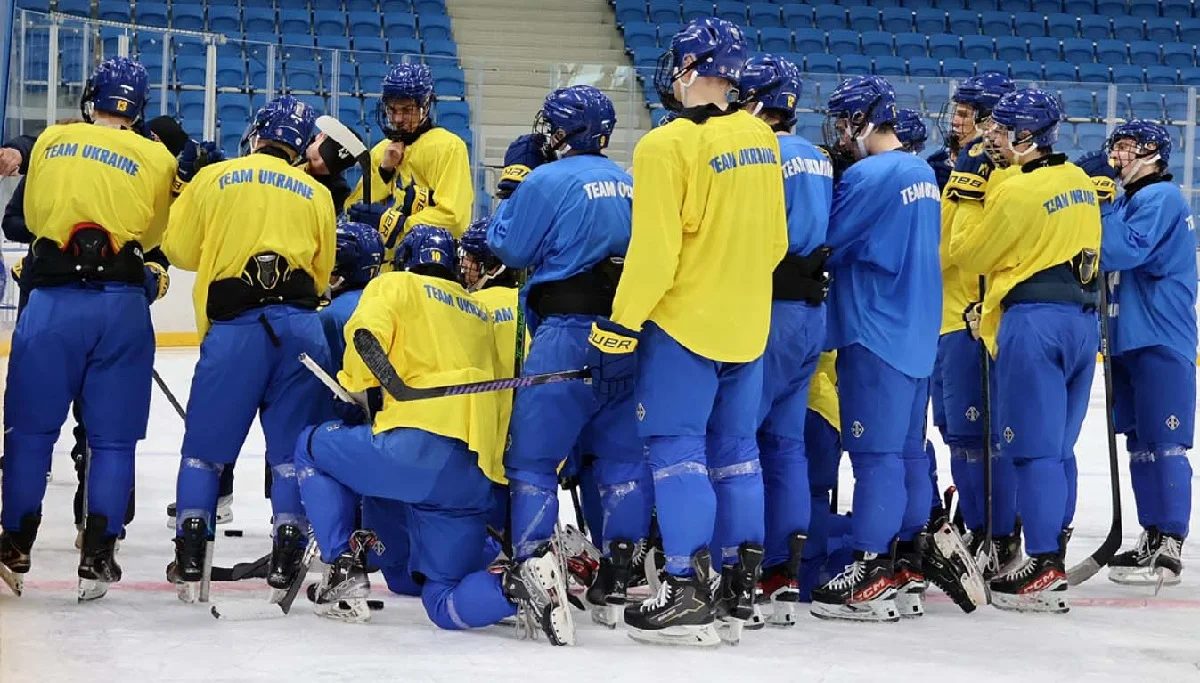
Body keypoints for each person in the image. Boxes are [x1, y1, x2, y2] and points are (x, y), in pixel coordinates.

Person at [589, 17, 788, 646]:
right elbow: (777, 241)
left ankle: (684, 588)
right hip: (750, 323)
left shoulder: (664, 146)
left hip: (685, 327)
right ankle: (738, 587)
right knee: (738, 454)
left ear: (691, 67)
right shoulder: (762, 137)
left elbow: (654, 253)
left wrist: (621, 325)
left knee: (676, 453)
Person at [295, 226, 574, 645]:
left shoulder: (394, 284)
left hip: (412, 447)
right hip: (472, 471)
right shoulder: (477, 309)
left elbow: (365, 340)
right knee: (439, 598)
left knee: (310, 446)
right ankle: (518, 583)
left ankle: (343, 570)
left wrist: (380, 384)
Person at [0, 57, 177, 600]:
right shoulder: (156, 155)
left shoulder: (52, 139)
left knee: (29, 434)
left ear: (90, 98)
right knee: (113, 440)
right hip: (120, 306)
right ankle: (98, 552)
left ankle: (15, 542)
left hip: (51, 304)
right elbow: (152, 234)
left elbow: (27, 219)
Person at [162, 95, 337, 603]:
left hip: (235, 329)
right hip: (301, 331)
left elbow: (178, 250)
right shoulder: (315, 191)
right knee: (290, 453)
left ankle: (192, 553)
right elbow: (323, 273)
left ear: (257, 133)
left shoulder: (214, 177)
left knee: (205, 452)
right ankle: (287, 553)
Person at [484, 85, 647, 629]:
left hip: (565, 335)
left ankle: (535, 572)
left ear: (559, 132)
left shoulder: (547, 179)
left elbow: (506, 248)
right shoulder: (631, 182)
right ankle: (621, 572)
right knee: (621, 458)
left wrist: (516, 186)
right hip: (626, 334)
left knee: (532, 460)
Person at [949, 89, 1100, 614]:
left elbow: (966, 252)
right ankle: (1050, 550)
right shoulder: (1079, 181)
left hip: (1034, 322)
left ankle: (1041, 565)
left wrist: (968, 197)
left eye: (1001, 128)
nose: (991, 135)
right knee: (1057, 449)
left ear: (1027, 136)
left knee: (1033, 450)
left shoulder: (1016, 194)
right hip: (1084, 323)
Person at [814, 75, 941, 622]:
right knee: (909, 451)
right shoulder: (921, 170)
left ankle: (868, 570)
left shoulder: (871, 175)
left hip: (875, 330)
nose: (842, 136)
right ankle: (906, 561)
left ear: (861, 120)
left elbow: (826, 238)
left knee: (875, 458)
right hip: (916, 330)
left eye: (845, 123)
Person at [1077, 121, 1196, 587]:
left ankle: (1169, 539)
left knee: (1164, 442)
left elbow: (1122, 250)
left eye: (1128, 147)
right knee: (1140, 444)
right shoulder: (1129, 199)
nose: (1119, 155)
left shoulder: (1160, 198)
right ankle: (1151, 533)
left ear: (1154, 153)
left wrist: (1099, 205)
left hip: (1160, 338)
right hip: (1127, 339)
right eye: (1117, 146)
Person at [739, 53, 833, 626]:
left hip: (767, 308)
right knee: (787, 444)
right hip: (810, 314)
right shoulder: (818, 157)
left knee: (739, 441)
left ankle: (740, 568)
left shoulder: (761, 154)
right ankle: (783, 570)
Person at [936, 73, 1020, 575]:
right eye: (959, 110)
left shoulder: (1001, 176)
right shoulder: (955, 166)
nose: (958, 118)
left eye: (969, 112)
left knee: (984, 437)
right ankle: (977, 524)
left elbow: (955, 250)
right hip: (942, 321)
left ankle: (1000, 534)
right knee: (957, 435)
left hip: (973, 321)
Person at [345, 63, 473, 244]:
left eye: (407, 110)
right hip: (384, 265)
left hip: (428, 262)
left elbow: (455, 218)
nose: (397, 119)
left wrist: (398, 225)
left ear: (425, 107)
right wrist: (384, 172)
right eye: (392, 110)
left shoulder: (449, 148)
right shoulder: (380, 151)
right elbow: (355, 210)